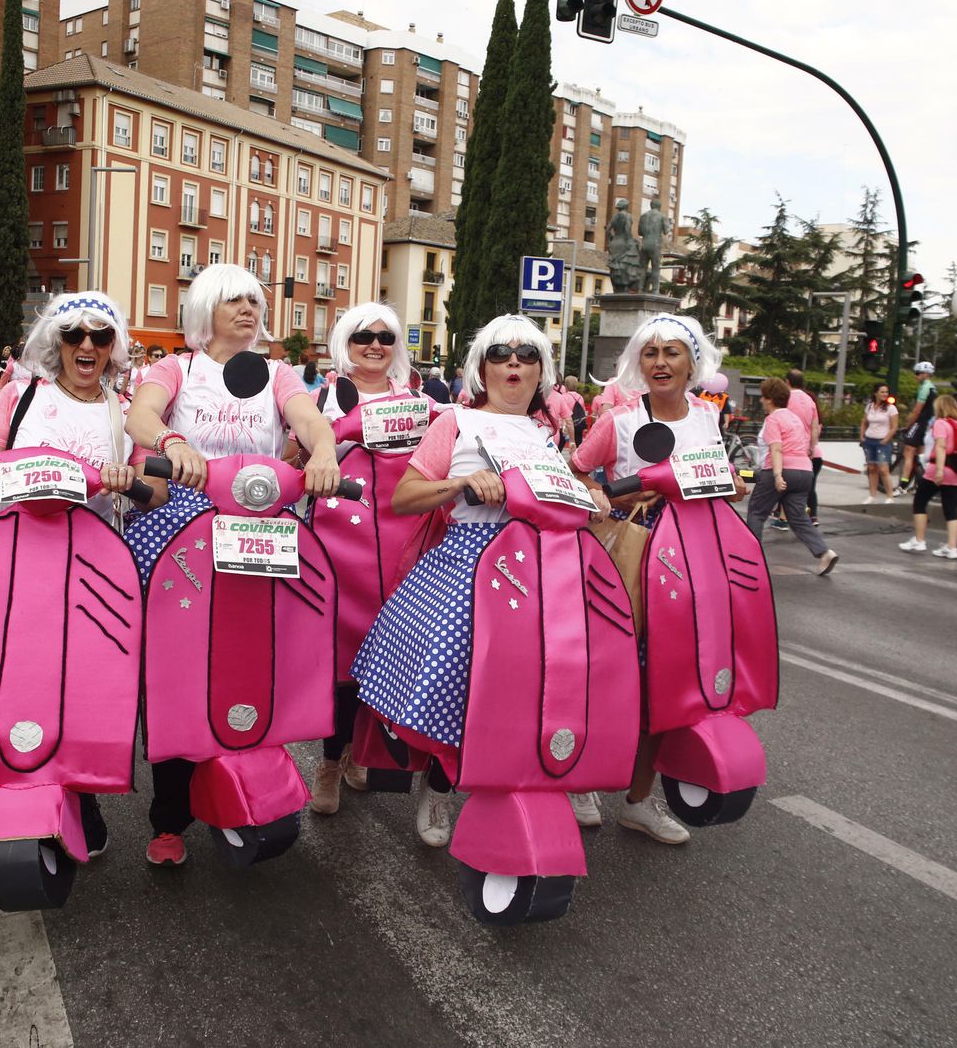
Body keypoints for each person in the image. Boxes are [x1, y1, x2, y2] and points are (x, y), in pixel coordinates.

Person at [353, 314, 607, 848]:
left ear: (542, 372)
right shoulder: (454, 422)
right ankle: (440, 785)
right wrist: (461, 483)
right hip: (467, 566)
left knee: (548, 677)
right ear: (482, 367)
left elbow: (558, 495)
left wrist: (591, 496)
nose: (514, 361)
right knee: (457, 679)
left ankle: (548, 777)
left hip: (542, 569)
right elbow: (404, 498)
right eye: (500, 353)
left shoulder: (550, 431)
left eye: (526, 354)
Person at [121, 263, 342, 868]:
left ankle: (255, 763)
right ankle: (169, 816)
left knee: (261, 654)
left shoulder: (277, 372)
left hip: (257, 526)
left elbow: (309, 420)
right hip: (185, 524)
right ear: (205, 310)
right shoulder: (180, 367)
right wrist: (171, 443)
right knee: (177, 667)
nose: (247, 309)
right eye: (232, 300)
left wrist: (322, 451)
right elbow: (140, 415)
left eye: (253, 300)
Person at [0, 290, 166, 860]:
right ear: (57, 341)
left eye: (100, 336)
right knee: (20, 675)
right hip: (17, 559)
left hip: (93, 562)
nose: (86, 345)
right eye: (74, 335)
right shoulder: (20, 396)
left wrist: (128, 482)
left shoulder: (125, 408)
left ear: (113, 348)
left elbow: (153, 492)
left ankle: (80, 792)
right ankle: (26, 779)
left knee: (82, 683)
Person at [569, 314, 739, 842]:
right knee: (605, 678)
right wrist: (599, 493)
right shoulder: (618, 422)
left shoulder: (708, 420)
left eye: (672, 352)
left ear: (693, 363)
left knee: (666, 685)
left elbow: (717, 482)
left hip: (691, 561)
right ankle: (578, 781)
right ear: (638, 363)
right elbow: (573, 470)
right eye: (651, 353)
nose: (661, 362)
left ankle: (639, 800)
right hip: (628, 559)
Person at [305, 301, 427, 814]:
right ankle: (330, 761)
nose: (375, 345)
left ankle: (361, 751)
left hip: (405, 539)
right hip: (340, 542)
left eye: (385, 337)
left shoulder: (420, 400)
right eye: (363, 337)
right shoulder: (322, 397)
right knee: (342, 660)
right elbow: (295, 458)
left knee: (389, 656)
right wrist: (342, 432)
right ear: (345, 343)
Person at [745, 377, 838, 575]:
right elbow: (809, 437)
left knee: (756, 512)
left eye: (763, 397)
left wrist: (778, 475)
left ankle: (753, 560)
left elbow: (777, 449)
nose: (761, 400)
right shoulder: (794, 418)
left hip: (780, 470)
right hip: (804, 472)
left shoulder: (773, 419)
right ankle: (824, 552)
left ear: (769, 399)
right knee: (798, 518)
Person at [898, 395, 957, 558]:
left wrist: (940, 470)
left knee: (920, 501)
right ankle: (952, 547)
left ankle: (920, 540)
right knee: (950, 508)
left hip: (939, 469)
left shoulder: (941, 423)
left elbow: (941, 446)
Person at [894, 361, 939, 495]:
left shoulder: (924, 388)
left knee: (908, 452)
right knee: (919, 456)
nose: (916, 376)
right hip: (928, 425)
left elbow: (917, 411)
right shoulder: (933, 387)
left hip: (920, 423)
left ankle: (903, 485)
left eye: (918, 373)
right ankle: (919, 483)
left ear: (926, 374)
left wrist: (908, 425)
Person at [786, 369, 824, 525]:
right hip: (813, 453)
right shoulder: (810, 401)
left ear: (787, 382)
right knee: (809, 488)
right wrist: (811, 447)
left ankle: (783, 517)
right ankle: (812, 516)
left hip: (792, 453)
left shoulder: (785, 399)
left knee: (786, 488)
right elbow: (815, 427)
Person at [862, 383, 899, 501]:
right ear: (876, 393)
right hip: (869, 439)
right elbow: (864, 422)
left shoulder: (891, 408)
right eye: (882, 392)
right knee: (872, 468)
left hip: (882, 441)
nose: (885, 394)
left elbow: (894, 426)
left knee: (884, 469)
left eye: (886, 392)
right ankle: (872, 495)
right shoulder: (869, 406)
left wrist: (886, 439)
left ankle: (890, 496)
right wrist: (861, 436)